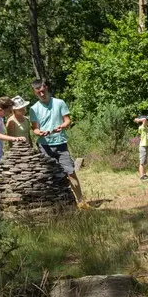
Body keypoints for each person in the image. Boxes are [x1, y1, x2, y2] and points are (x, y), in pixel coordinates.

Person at [28, 79, 89, 209]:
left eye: (43, 91)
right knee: (49, 175)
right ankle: (56, 204)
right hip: (44, 146)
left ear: (47, 88)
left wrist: (62, 126)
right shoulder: (34, 108)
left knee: (70, 172)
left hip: (60, 143)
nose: (42, 94)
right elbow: (35, 128)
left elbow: (68, 120)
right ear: (35, 93)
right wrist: (40, 133)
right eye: (39, 93)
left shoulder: (59, 102)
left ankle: (81, 201)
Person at [0, 96, 26, 171]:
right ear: (0, 109)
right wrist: (14, 138)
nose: (10, 113)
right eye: (9, 111)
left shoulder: (1, 119)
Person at [134, 114, 148, 180]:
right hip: (142, 146)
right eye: (146, 120)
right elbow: (144, 119)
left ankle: (144, 174)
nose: (147, 121)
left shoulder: (146, 127)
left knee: (145, 161)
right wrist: (138, 120)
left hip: (146, 145)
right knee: (142, 162)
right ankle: (141, 176)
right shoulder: (142, 127)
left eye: (147, 120)